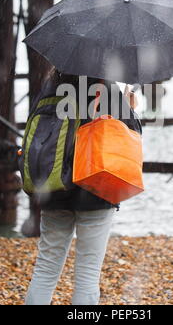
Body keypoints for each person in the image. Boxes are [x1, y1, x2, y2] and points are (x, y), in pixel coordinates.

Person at [24, 67, 142, 305]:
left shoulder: (50, 89)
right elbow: (130, 141)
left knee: (46, 268)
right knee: (88, 274)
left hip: (54, 188)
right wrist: (129, 110)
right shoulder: (107, 90)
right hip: (96, 190)